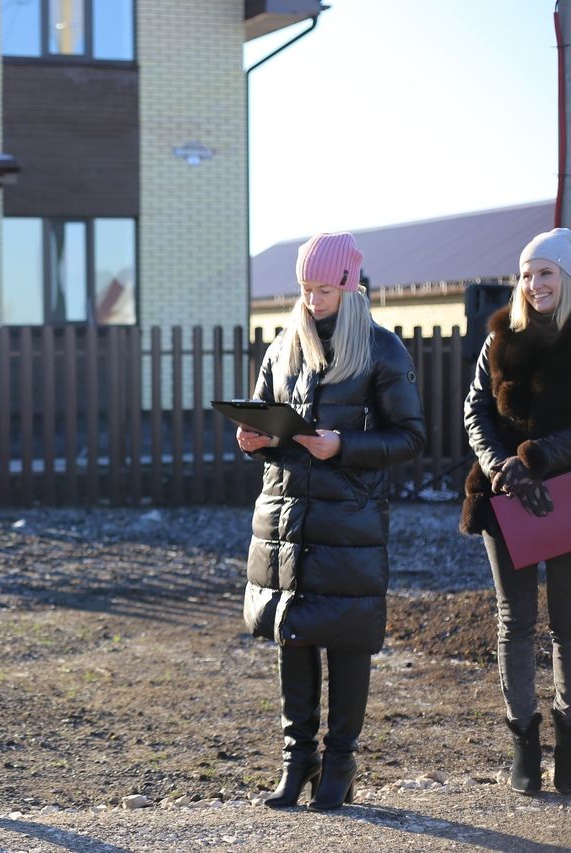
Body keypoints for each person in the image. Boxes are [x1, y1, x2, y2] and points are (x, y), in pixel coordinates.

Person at [238, 232, 426, 811]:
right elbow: (265, 419)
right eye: (305, 288)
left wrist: (343, 445)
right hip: (286, 518)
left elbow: (411, 437)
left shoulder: (381, 349)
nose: (312, 299)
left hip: (350, 524)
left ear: (349, 285)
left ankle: (340, 764)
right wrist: (256, 442)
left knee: (346, 641)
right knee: (291, 637)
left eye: (323, 288)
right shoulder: (281, 347)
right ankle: (298, 762)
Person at [460, 227, 571, 796]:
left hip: (567, 495)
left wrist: (539, 458)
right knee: (515, 622)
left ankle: (569, 750)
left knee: (569, 628)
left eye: (545, 272)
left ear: (566, 277)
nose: (533, 284)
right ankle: (523, 745)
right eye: (526, 274)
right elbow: (475, 409)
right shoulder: (498, 339)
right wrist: (502, 463)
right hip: (507, 498)